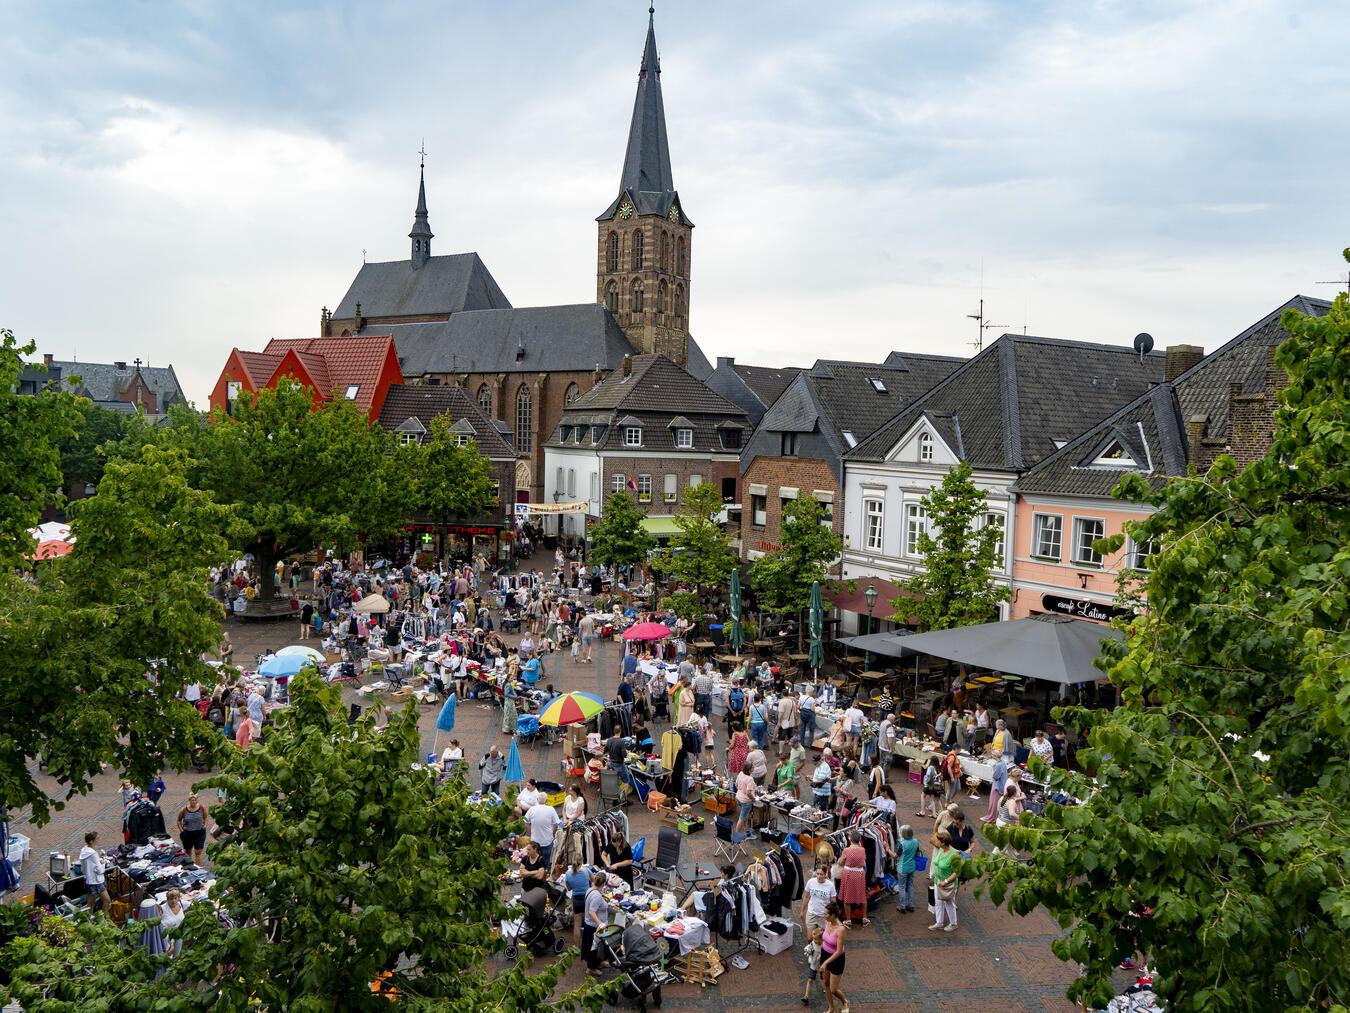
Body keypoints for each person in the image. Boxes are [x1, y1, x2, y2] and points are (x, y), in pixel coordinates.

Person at [819, 900, 849, 1013]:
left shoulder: (841, 929)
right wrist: (821, 955)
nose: (824, 915)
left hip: (836, 959)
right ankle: (831, 1008)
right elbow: (825, 940)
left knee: (833, 989)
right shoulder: (827, 922)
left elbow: (839, 951)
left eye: (826, 914)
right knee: (826, 983)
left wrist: (825, 962)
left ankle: (844, 1001)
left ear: (833, 915)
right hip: (825, 954)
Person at [928, 829, 961, 932]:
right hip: (938, 882)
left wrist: (946, 881)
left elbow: (956, 872)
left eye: (938, 840)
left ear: (943, 843)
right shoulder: (941, 850)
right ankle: (939, 922)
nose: (936, 841)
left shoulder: (954, 855)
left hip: (948, 885)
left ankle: (953, 923)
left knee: (949, 903)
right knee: (938, 902)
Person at [837, 830, 869, 927]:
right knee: (862, 896)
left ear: (850, 839)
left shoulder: (846, 850)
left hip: (849, 874)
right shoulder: (862, 850)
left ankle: (848, 920)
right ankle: (864, 918)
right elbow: (863, 860)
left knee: (847, 897)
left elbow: (840, 862)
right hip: (860, 873)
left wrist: (840, 859)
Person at [79, 831, 112, 912]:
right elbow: (99, 870)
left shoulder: (84, 850)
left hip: (88, 880)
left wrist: (98, 858)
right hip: (96, 881)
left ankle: (89, 918)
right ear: (91, 841)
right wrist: (103, 862)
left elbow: (86, 866)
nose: (98, 840)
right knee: (107, 900)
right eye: (97, 839)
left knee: (90, 903)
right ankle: (104, 918)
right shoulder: (93, 853)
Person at [583, 871, 609, 971]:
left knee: (597, 947)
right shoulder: (597, 896)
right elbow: (592, 912)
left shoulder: (590, 890)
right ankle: (591, 969)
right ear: (604, 883)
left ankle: (598, 962)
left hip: (590, 924)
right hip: (594, 926)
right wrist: (600, 924)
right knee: (594, 948)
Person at [562, 860, 594, 941]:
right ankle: (588, 944)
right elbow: (593, 880)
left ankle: (576, 946)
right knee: (589, 923)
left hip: (576, 900)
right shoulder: (586, 870)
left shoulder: (568, 873)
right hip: (587, 898)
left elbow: (569, 888)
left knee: (577, 925)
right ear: (581, 862)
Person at [799, 863, 836, 933]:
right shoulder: (811, 882)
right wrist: (802, 911)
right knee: (810, 937)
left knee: (821, 937)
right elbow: (806, 897)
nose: (819, 876)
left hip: (824, 916)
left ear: (825, 874)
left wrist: (833, 916)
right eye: (817, 874)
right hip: (811, 913)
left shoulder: (830, 885)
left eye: (821, 874)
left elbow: (833, 902)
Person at [524, 798, 561, 867]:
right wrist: (553, 834)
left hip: (535, 841)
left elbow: (525, 822)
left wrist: (529, 834)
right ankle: (545, 871)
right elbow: (556, 824)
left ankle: (536, 871)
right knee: (546, 861)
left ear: (537, 800)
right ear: (546, 800)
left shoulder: (532, 809)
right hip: (547, 840)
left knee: (535, 860)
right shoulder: (551, 809)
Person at [175, 794, 209, 866]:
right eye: (192, 800)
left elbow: (206, 817)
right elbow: (178, 820)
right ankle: (189, 866)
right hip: (187, 833)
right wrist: (181, 830)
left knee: (198, 852)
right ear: (189, 800)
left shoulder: (202, 808)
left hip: (199, 832)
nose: (193, 801)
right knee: (188, 851)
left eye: (195, 800)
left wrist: (205, 826)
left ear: (197, 800)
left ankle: (198, 866)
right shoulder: (184, 810)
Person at [895, 824, 919, 914]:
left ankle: (902, 906)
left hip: (902, 868)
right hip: (912, 867)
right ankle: (911, 905)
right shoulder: (916, 841)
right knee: (910, 885)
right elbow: (917, 853)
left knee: (902, 887)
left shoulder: (902, 844)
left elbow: (895, 856)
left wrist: (888, 849)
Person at [160, 889, 188, 956]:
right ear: (167, 899)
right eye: (171, 899)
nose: (173, 901)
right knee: (167, 957)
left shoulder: (181, 904)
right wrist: (170, 944)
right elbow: (162, 928)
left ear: (178, 898)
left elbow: (193, 905)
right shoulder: (162, 909)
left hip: (178, 936)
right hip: (167, 939)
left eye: (175, 898)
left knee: (176, 957)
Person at [801, 925, 824, 1007]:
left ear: (821, 939)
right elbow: (810, 948)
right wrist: (808, 950)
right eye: (813, 938)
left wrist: (821, 955)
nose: (814, 940)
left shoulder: (824, 946)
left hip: (822, 966)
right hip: (813, 965)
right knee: (810, 980)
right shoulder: (813, 943)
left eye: (815, 939)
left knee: (824, 979)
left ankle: (825, 987)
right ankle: (806, 997)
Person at [983, 754, 1009, 824]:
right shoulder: (1003, 762)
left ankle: (992, 817)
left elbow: (995, 776)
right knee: (998, 802)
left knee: (994, 802)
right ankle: (996, 817)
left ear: (994, 756)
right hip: (1002, 785)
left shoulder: (998, 765)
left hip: (997, 785)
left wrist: (993, 768)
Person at [733, 764, 757, 836]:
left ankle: (746, 831)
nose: (754, 767)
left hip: (738, 797)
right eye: (752, 767)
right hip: (746, 801)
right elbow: (748, 793)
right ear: (749, 769)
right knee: (742, 818)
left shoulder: (740, 773)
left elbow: (736, 785)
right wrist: (753, 798)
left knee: (745, 816)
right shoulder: (750, 779)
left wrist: (741, 790)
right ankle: (736, 835)